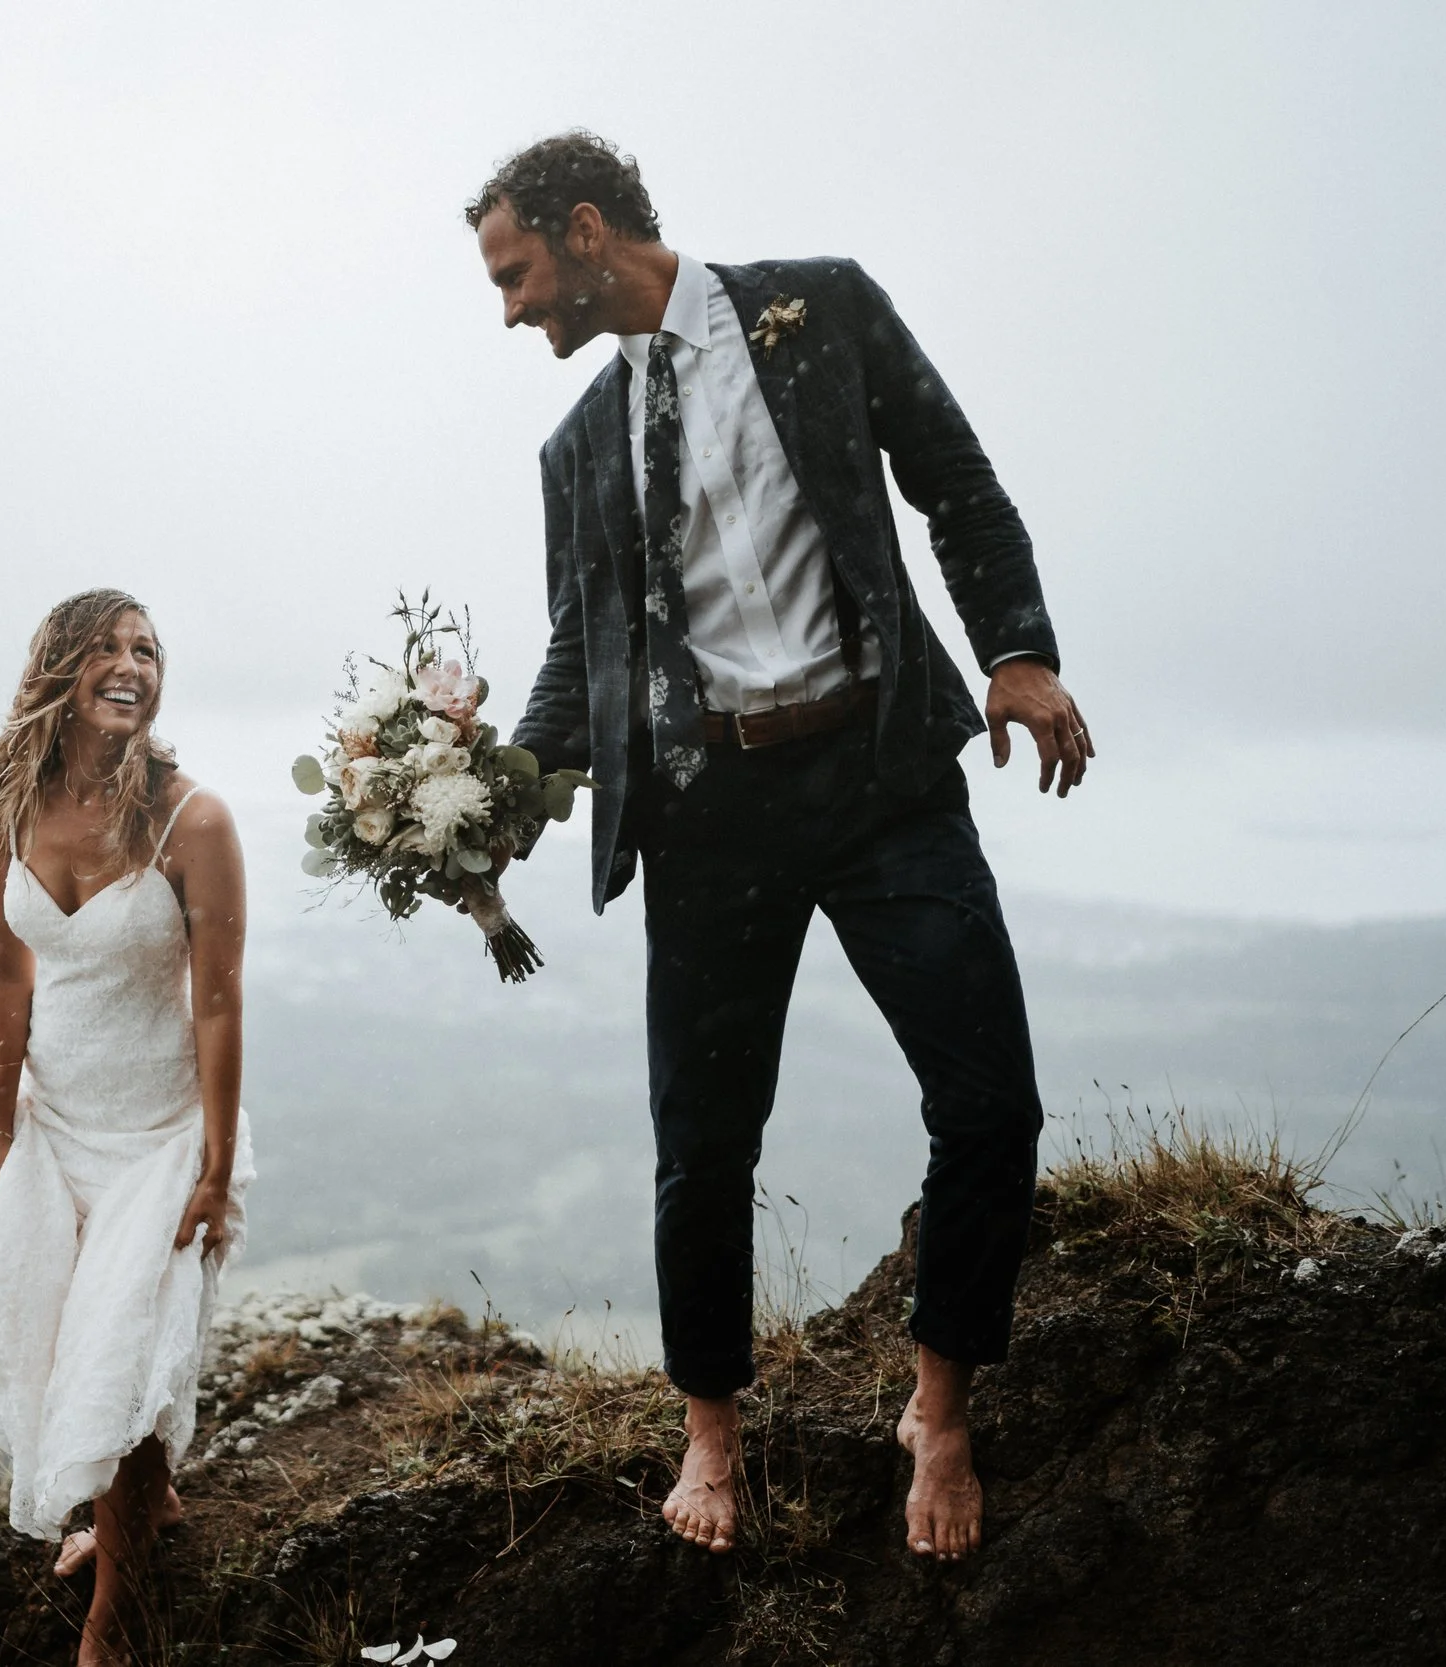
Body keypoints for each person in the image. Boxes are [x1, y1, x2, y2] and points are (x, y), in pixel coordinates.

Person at [466, 132, 1093, 1565]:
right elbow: (585, 650)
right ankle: (711, 1431)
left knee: (991, 1102)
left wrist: (1017, 652)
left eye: (514, 275)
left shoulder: (820, 307)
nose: (509, 311)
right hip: (709, 815)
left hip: (882, 778)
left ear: (582, 231)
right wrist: (490, 810)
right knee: (701, 1144)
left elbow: (958, 481)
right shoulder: (575, 447)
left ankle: (939, 1403)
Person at [0, 588, 252, 1664]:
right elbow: (5, 966)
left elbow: (217, 999)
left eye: (147, 648)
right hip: (56, 1120)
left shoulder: (191, 818)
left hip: (160, 1132)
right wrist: (0, 1127)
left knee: (122, 1341)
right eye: (107, 646)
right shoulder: (5, 807)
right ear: (58, 668)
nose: (131, 663)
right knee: (53, 1333)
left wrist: (213, 1160)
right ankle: (138, 1508)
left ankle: (112, 1617)